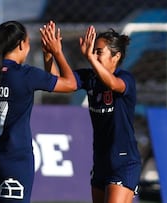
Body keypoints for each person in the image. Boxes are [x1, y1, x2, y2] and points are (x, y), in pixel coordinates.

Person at [0, 20, 74, 203]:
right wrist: (56, 51)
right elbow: (70, 84)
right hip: (14, 161)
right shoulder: (26, 75)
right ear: (21, 44)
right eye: (28, 42)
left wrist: (47, 58)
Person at [44, 25, 142, 203]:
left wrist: (89, 57)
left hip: (123, 161)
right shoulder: (90, 78)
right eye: (93, 51)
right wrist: (52, 53)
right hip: (101, 160)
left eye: (99, 52)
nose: (94, 55)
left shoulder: (125, 78)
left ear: (116, 56)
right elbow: (58, 82)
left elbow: (113, 84)